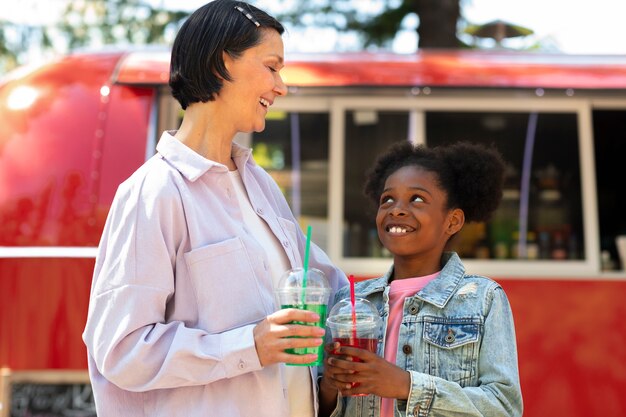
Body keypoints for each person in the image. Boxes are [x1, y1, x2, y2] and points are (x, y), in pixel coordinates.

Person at [82, 1, 347, 416]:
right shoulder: (154, 192)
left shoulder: (260, 186)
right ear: (223, 61)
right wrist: (250, 345)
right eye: (272, 67)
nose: (281, 86)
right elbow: (122, 350)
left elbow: (329, 288)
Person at [319, 141, 523, 417]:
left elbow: (504, 407)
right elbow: (320, 406)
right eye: (387, 199)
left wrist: (406, 385)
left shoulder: (483, 299)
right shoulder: (351, 301)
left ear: (452, 221)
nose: (397, 209)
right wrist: (329, 387)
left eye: (416, 199)